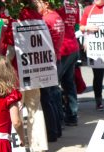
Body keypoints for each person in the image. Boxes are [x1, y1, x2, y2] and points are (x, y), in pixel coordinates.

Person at [1, 1, 49, 152]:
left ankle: (20, 147)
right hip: (35, 70)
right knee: (36, 107)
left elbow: (10, 51)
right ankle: (39, 145)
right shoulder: (38, 18)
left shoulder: (15, 20)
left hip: (17, 73)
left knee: (17, 109)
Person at [80, 0, 104, 115]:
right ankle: (98, 101)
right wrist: (87, 28)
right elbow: (81, 27)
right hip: (95, 50)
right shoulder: (88, 9)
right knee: (97, 77)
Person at [34, 0, 64, 141]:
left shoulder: (46, 19)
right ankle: (57, 129)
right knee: (52, 95)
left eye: (38, 4)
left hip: (49, 61)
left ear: (46, 4)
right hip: (55, 58)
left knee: (47, 98)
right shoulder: (56, 16)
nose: (36, 6)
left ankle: (52, 132)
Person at [57, 0, 80, 126]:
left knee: (54, 85)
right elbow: (75, 22)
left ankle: (58, 117)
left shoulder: (58, 3)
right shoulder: (74, 2)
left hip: (63, 48)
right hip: (72, 45)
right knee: (69, 83)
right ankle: (72, 116)